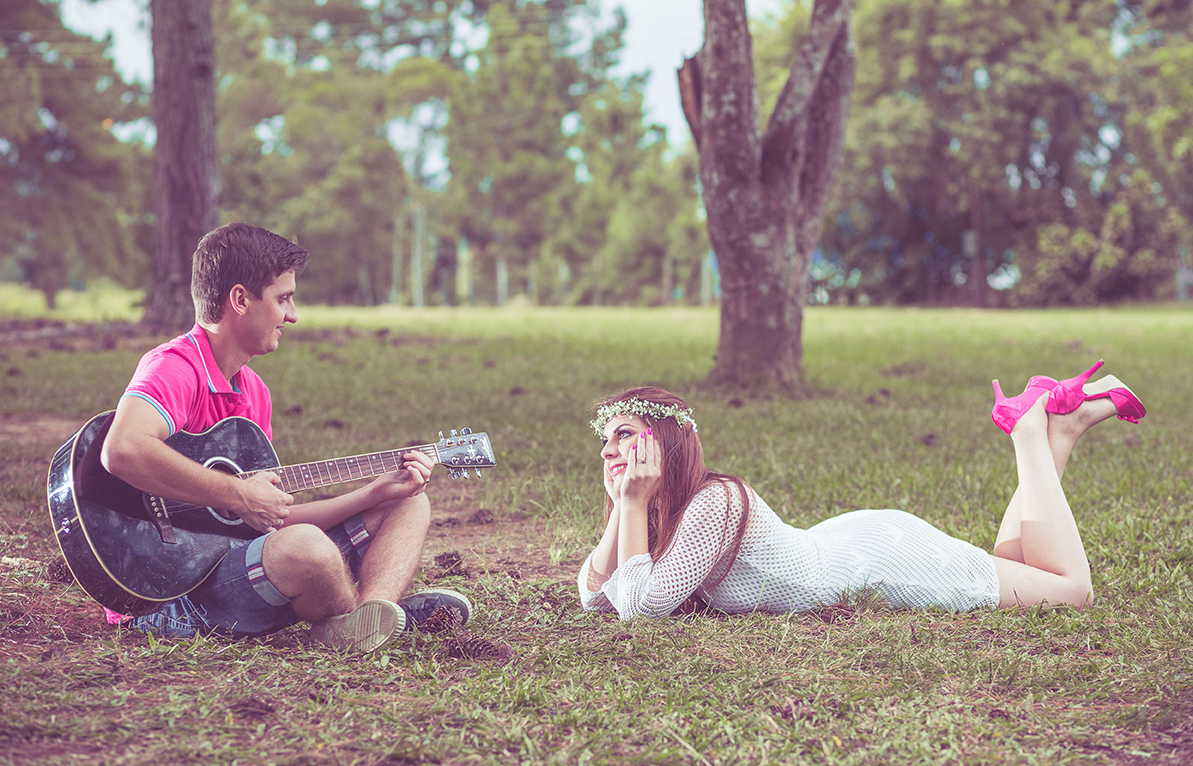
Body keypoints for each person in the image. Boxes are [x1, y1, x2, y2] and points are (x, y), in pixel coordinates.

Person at [100, 222, 470, 652]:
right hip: (166, 596)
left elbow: (268, 522)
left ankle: (373, 616)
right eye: (283, 299)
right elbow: (122, 449)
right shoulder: (176, 367)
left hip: (240, 566)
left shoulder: (253, 391)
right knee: (308, 549)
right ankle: (361, 619)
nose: (292, 315)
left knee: (408, 501)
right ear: (240, 299)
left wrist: (370, 495)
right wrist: (236, 494)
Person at [578, 364, 1146, 619]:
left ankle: (1028, 433)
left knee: (1069, 590)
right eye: (606, 441)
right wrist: (622, 509)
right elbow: (596, 597)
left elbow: (642, 610)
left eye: (624, 436)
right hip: (850, 543)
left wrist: (628, 504)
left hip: (879, 559)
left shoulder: (713, 502)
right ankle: (1062, 429)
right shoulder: (663, 512)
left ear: (665, 445)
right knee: (1013, 565)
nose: (609, 450)